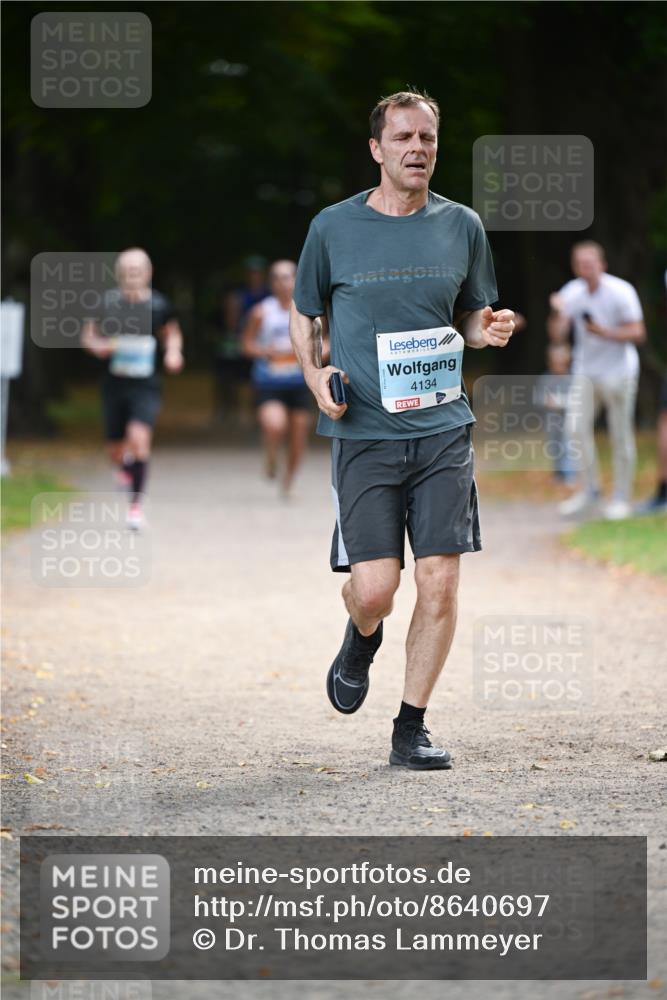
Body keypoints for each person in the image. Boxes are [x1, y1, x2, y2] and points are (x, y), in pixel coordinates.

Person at [290, 89, 515, 770]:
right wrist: (312, 375)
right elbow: (305, 313)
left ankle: (409, 728)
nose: (418, 149)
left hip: (443, 428)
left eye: (428, 139)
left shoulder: (461, 225)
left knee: (440, 581)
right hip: (362, 432)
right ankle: (362, 635)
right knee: (376, 590)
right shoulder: (332, 228)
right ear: (376, 149)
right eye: (404, 139)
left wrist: (490, 328)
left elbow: (474, 315)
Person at [81, 247, 184, 529]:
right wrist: (97, 346)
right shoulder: (106, 303)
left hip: (145, 384)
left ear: (148, 274)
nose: (131, 277)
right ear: (119, 275)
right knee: (115, 447)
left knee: (138, 439)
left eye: (136, 272)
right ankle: (123, 467)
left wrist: (173, 353)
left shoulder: (159, 305)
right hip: (114, 383)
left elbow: (172, 334)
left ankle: (135, 508)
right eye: (126, 272)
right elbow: (88, 335)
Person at [548, 242, 646, 520]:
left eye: (590, 262)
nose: (585, 268)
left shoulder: (620, 291)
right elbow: (557, 335)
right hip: (585, 371)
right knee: (574, 429)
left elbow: (638, 332)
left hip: (620, 372)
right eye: (579, 263)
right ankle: (590, 490)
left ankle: (622, 498)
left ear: (602, 264)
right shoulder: (572, 292)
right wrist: (557, 311)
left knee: (620, 434)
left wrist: (605, 332)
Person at [241, 260, 318, 495]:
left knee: (298, 439)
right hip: (270, 382)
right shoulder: (261, 312)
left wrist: (306, 353)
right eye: (277, 277)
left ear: (296, 280)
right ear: (270, 282)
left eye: (287, 277)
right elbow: (246, 344)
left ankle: (288, 482)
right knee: (275, 425)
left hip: (299, 384)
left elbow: (325, 345)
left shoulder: (309, 312)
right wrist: (265, 352)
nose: (282, 282)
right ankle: (272, 456)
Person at [215, 256, 269, 427]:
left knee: (257, 380)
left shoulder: (270, 295)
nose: (254, 276)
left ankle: (256, 414)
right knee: (230, 376)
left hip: (264, 344)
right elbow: (231, 321)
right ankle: (232, 410)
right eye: (251, 273)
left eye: (257, 272)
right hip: (242, 341)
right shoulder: (238, 295)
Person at [535, 343, 578, 483]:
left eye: (561, 363)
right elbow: (538, 398)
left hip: (569, 421)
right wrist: (545, 401)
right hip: (552, 421)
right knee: (554, 447)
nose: (558, 367)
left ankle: (569, 474)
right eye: (555, 363)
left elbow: (577, 400)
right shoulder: (546, 379)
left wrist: (561, 402)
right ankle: (558, 472)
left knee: (568, 446)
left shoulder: (573, 379)